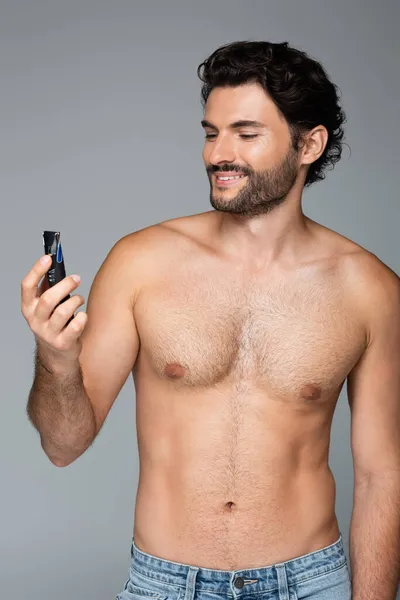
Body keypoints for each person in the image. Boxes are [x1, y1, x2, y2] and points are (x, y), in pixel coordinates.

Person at [21, 41, 400, 600]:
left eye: (246, 134)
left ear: (309, 144)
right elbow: (63, 444)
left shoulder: (370, 290)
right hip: (165, 584)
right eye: (210, 132)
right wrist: (56, 359)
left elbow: (381, 478)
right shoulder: (141, 262)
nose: (218, 153)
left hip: (310, 583)